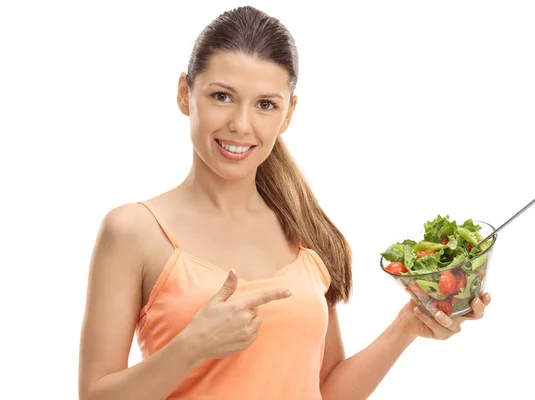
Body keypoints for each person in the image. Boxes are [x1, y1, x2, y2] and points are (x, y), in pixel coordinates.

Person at [78, 5, 491, 400]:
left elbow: (325, 391)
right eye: (221, 96)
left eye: (265, 105)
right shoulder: (134, 231)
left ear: (288, 113)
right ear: (186, 94)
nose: (240, 124)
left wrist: (407, 325)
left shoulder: (306, 233)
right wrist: (192, 346)